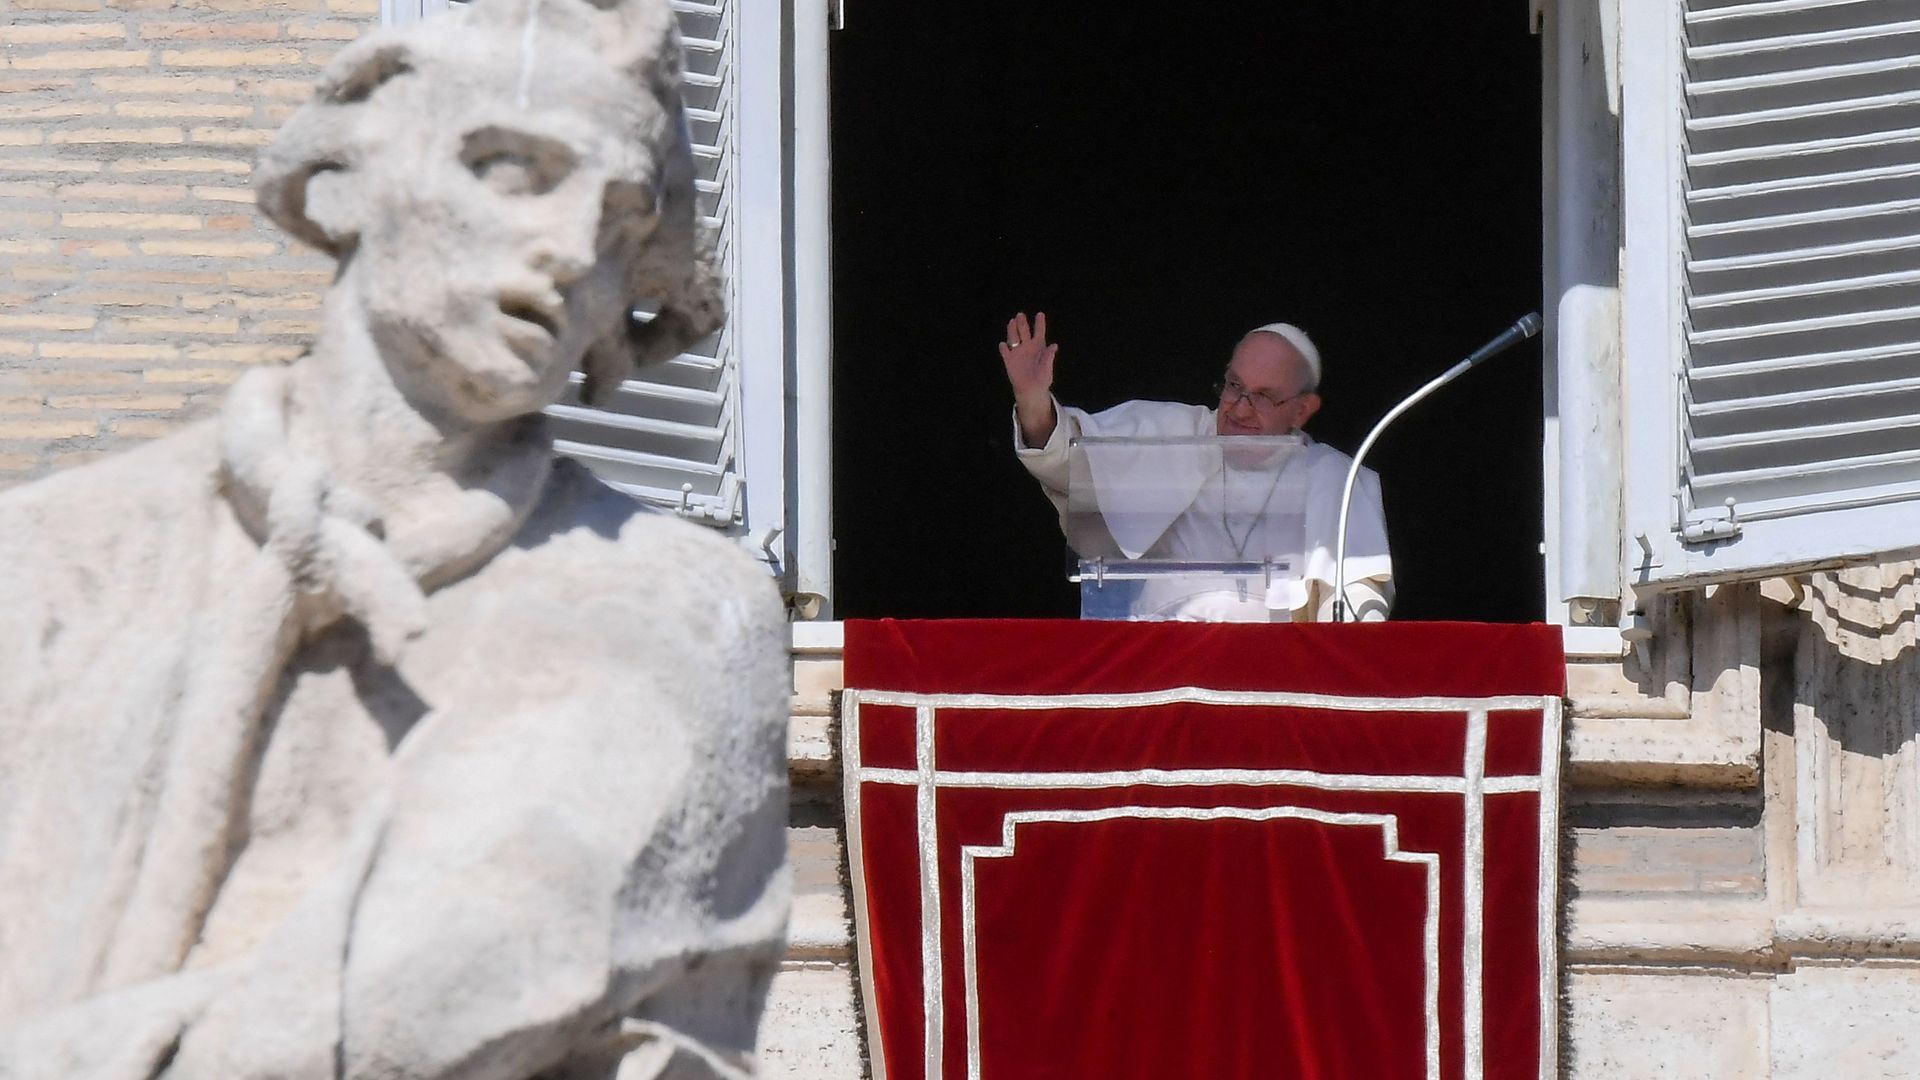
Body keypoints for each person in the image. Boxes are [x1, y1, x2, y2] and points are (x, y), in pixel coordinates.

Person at [0, 2, 788, 1076]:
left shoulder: (677, 613)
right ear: (343, 180)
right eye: (511, 170)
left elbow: (402, 1017)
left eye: (620, 227)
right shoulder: (51, 555)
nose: (568, 251)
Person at [1002, 311, 1392, 622]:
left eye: (1263, 397)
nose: (1239, 409)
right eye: (1234, 386)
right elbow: (1067, 461)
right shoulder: (1170, 433)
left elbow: (1358, 598)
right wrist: (1032, 399)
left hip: (1271, 677)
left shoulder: (1333, 478)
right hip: (1158, 664)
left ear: (1302, 410)